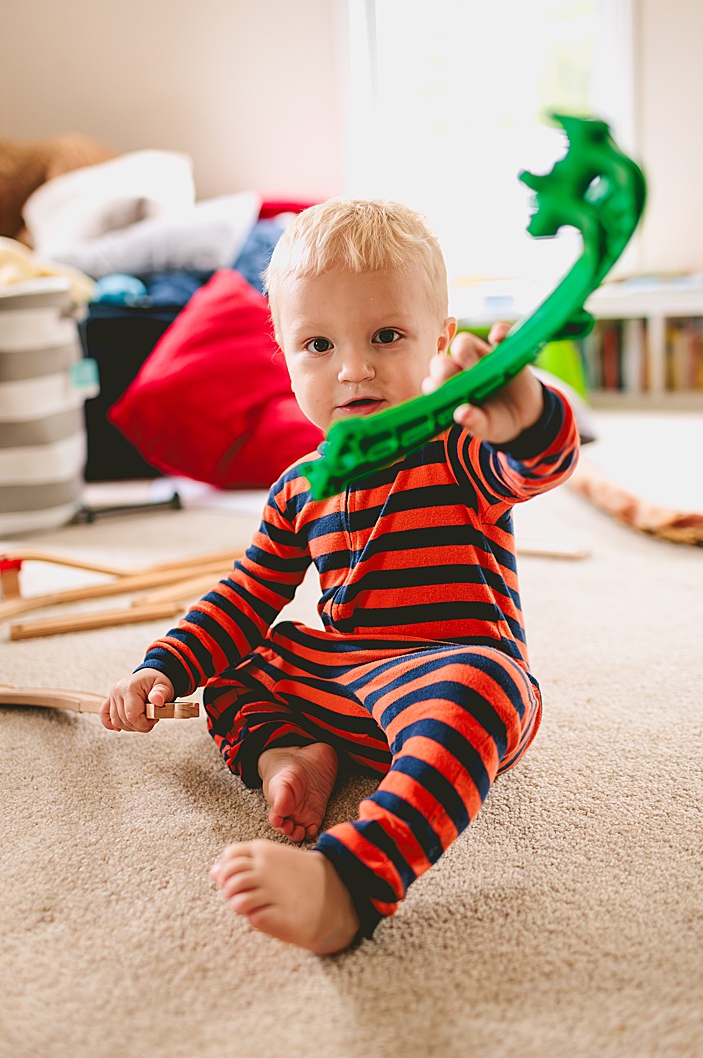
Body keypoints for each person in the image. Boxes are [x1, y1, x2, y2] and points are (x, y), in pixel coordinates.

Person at [101, 199, 579, 954]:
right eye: (318, 344)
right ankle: (288, 755)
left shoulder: (459, 446)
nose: (353, 368)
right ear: (287, 361)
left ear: (442, 343)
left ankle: (352, 883)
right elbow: (244, 597)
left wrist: (524, 414)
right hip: (350, 680)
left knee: (486, 683)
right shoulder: (300, 485)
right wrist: (164, 663)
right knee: (241, 658)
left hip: (448, 677)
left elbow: (537, 466)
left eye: (386, 336)